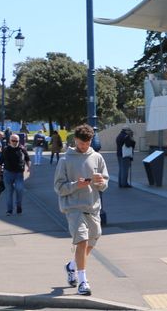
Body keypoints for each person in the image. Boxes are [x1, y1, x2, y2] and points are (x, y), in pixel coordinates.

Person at [53, 123, 108, 297]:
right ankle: (83, 281)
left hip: (92, 206)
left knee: (93, 239)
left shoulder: (97, 157)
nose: (84, 146)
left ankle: (72, 266)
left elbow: (104, 184)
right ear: (75, 140)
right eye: (81, 143)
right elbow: (58, 187)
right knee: (82, 241)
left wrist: (100, 182)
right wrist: (77, 184)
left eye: (87, 142)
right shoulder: (65, 160)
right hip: (73, 207)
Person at [0, 133, 30, 215]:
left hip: (19, 174)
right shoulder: (5, 150)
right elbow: (0, 163)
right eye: (13, 141)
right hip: (8, 173)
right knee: (9, 192)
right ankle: (9, 210)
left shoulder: (22, 149)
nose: (15, 142)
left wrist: (29, 167)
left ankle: (19, 206)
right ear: (10, 141)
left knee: (19, 189)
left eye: (17, 141)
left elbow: (27, 159)